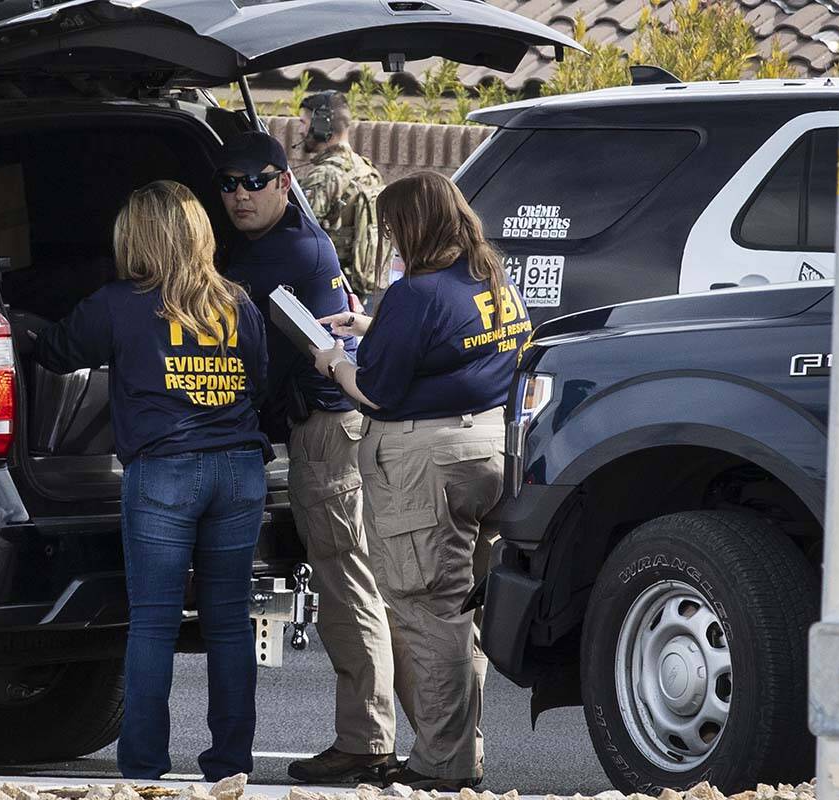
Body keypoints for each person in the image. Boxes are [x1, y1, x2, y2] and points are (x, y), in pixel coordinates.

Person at [32, 180, 270, 781]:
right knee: (228, 622)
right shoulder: (240, 303)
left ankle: (143, 766)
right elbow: (259, 382)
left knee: (155, 622)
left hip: (165, 472)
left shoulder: (118, 302)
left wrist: (20, 322)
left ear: (136, 238)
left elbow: (58, 351)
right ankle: (230, 765)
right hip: (240, 471)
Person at [310, 170, 532, 791]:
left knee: (426, 612)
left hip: (425, 461)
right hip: (493, 450)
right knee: (463, 612)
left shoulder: (416, 291)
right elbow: (458, 348)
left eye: (392, 228)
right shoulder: (491, 274)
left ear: (413, 227)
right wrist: (374, 332)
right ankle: (464, 755)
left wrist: (334, 363)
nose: (389, 240)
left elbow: (375, 392)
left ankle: (441, 763)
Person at [216, 131, 399, 784]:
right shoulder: (280, 238)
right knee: (350, 582)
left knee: (346, 587)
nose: (240, 194)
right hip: (321, 429)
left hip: (327, 431)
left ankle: (367, 742)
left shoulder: (290, 250)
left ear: (285, 182)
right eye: (228, 184)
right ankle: (375, 737)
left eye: (254, 181)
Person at [295, 90, 387, 307]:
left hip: (326, 290)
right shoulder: (367, 169)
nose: (300, 130)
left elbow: (297, 237)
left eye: (304, 122)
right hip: (360, 293)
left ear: (321, 126)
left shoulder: (325, 176)